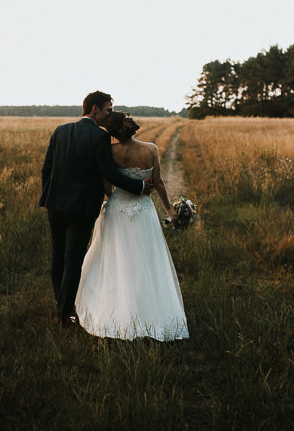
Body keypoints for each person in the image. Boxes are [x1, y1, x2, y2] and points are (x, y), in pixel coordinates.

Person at [39, 91, 154, 327]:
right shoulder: (99, 137)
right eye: (108, 110)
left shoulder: (60, 130)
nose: (110, 114)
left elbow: (46, 169)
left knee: (57, 256)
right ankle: (64, 314)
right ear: (95, 109)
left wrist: (50, 195)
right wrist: (140, 186)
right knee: (73, 260)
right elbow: (110, 174)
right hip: (81, 209)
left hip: (55, 205)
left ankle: (60, 306)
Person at [75, 111, 189, 341]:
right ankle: (147, 309)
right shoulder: (151, 149)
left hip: (117, 209)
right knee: (145, 260)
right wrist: (169, 210)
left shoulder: (110, 151)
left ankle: (117, 306)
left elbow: (107, 186)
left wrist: (116, 195)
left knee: (116, 260)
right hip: (144, 210)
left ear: (113, 132)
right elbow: (158, 182)